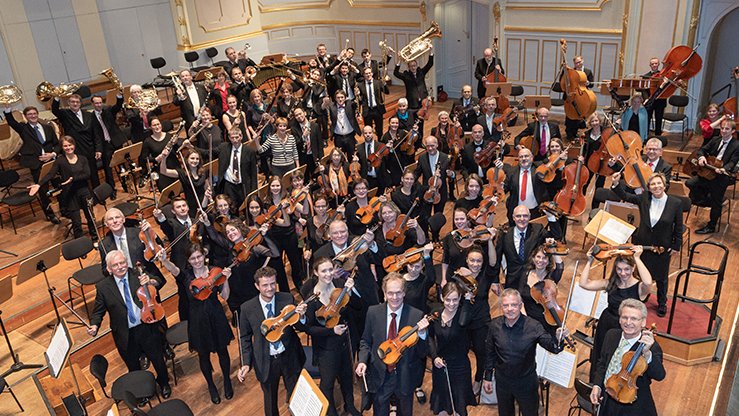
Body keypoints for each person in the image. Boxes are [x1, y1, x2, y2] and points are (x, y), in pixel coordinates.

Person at [87, 250, 172, 399]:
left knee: (157, 358)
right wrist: (94, 325)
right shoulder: (103, 287)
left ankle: (164, 383)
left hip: (146, 326)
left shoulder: (138, 274)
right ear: (109, 269)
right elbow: (98, 311)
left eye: (122, 262)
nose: (120, 267)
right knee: (133, 366)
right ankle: (141, 392)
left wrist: (151, 281)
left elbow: (157, 282)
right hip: (124, 333)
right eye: (116, 265)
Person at [158, 245, 234, 404]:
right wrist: (164, 260)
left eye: (199, 257)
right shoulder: (186, 275)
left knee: (222, 351)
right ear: (188, 260)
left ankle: (227, 380)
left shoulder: (214, 271)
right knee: (203, 355)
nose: (197, 261)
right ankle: (211, 386)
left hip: (216, 315)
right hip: (198, 319)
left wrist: (226, 280)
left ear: (204, 255)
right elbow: (174, 269)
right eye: (193, 258)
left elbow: (225, 296)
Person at [482, 288, 568, 416]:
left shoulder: (533, 326)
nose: (510, 309)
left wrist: (558, 337)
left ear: (520, 306)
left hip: (526, 382)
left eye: (514, 305)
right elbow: (490, 353)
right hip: (503, 381)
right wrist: (488, 377)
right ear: (501, 307)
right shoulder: (494, 325)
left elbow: (553, 347)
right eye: (506, 305)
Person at [355, 273, 430, 416]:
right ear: (384, 293)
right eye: (390, 293)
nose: (394, 297)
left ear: (404, 293)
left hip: (405, 376)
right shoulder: (373, 312)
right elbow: (365, 341)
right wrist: (362, 361)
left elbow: (422, 352)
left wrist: (422, 334)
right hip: (380, 374)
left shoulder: (416, 316)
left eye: (398, 293)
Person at [237, 267, 307, 416]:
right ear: (257, 286)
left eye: (272, 284)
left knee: (296, 396)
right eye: (265, 285)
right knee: (270, 401)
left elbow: (299, 326)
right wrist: (245, 363)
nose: (270, 289)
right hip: (266, 360)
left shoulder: (287, 299)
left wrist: (301, 316)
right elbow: (245, 337)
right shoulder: (247, 308)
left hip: (289, 356)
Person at [611, 171, 682, 317]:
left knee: (661, 276)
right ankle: (642, 296)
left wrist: (676, 245)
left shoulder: (675, 203)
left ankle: (662, 302)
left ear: (664, 185)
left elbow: (678, 226)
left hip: (662, 246)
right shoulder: (644, 198)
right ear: (649, 187)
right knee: (640, 273)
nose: (656, 186)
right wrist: (616, 183)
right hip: (642, 244)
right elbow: (626, 196)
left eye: (659, 183)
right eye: (653, 184)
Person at [579, 245, 653, 382]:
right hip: (606, 324)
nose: (622, 273)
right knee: (601, 356)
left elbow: (648, 282)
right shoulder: (610, 283)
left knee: (619, 359)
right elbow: (584, 284)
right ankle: (596, 385)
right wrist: (589, 261)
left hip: (626, 327)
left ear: (633, 268)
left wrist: (637, 258)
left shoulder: (639, 288)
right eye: (619, 269)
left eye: (627, 269)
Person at [301, 258, 363, 416]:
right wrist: (331, 331)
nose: (328, 274)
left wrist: (350, 292)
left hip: (345, 341)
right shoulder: (312, 298)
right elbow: (308, 328)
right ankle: (331, 412)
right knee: (327, 384)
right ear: (316, 273)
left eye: (330, 270)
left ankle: (349, 406)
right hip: (326, 347)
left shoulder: (340, 286)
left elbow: (357, 306)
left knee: (347, 377)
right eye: (323, 271)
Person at [590, 298, 665, 415]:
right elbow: (602, 364)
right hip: (607, 398)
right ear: (619, 319)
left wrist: (646, 354)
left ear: (643, 322)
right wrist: (597, 386)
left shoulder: (652, 347)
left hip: (632, 406)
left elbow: (660, 375)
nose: (628, 322)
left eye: (634, 318)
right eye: (624, 317)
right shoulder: (611, 335)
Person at [28, 136, 95, 239]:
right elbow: (50, 174)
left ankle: (95, 238)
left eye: (70, 145)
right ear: (62, 147)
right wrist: (39, 184)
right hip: (70, 194)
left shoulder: (82, 158)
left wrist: (73, 179)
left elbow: (87, 174)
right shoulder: (60, 161)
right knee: (76, 222)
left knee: (90, 217)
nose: (68, 148)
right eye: (65, 146)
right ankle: (81, 244)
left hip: (84, 191)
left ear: (74, 145)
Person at [3, 105, 61, 223]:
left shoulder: (47, 128)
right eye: (29, 114)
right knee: (43, 190)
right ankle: (50, 214)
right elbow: (11, 122)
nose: (33, 116)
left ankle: (64, 208)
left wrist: (52, 154)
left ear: (37, 114)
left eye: (34, 113)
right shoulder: (24, 129)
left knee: (58, 186)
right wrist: (7, 109)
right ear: (25, 116)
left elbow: (57, 144)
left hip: (51, 162)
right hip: (37, 165)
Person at [152, 196, 202, 321]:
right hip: (181, 265)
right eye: (178, 207)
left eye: (184, 206)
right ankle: (185, 321)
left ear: (188, 207)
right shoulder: (172, 224)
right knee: (184, 294)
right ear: (173, 211)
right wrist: (159, 217)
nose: (182, 208)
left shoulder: (195, 221)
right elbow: (165, 226)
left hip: (197, 262)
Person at [429, 282, 476, 416]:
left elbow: (462, 323)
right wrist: (434, 357)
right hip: (440, 365)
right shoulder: (435, 313)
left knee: (459, 406)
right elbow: (430, 337)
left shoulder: (464, 314)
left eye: (455, 299)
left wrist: (467, 301)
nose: (451, 304)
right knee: (441, 405)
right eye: (448, 299)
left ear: (460, 298)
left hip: (460, 366)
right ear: (442, 298)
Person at [492, 205, 561, 293]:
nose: (522, 219)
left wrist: (551, 218)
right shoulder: (505, 234)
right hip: (513, 281)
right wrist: (495, 281)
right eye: (518, 216)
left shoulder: (537, 229)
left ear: (529, 217)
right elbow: (497, 258)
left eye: (525, 216)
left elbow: (556, 236)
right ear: (513, 217)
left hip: (532, 281)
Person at [685, 119, 738, 234]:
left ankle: (711, 225)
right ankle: (705, 200)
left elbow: (733, 162)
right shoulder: (715, 139)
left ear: (733, 131)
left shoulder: (736, 145)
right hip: (708, 172)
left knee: (716, 201)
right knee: (690, 183)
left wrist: (724, 169)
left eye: (727, 129)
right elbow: (702, 150)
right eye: (722, 128)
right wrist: (701, 157)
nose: (723, 131)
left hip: (722, 176)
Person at [99, 207, 165, 281]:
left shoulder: (139, 233)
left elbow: (160, 247)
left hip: (147, 275)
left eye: (117, 217)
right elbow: (105, 271)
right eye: (110, 219)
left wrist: (149, 231)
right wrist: (109, 270)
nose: (115, 221)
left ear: (123, 219)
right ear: (106, 224)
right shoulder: (103, 244)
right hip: (124, 280)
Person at [264, 175, 307, 290]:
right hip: (275, 237)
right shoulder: (267, 203)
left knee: (295, 263)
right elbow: (281, 222)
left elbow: (304, 210)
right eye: (273, 185)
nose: (275, 188)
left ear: (281, 186)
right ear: (269, 187)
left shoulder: (288, 198)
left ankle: (299, 287)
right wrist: (282, 210)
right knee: (279, 267)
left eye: (277, 185)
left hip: (290, 235)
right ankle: (285, 291)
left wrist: (305, 196)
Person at [51, 94, 100, 188]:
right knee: (80, 175)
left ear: (81, 103)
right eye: (72, 102)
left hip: (89, 148)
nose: (75, 104)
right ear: (68, 103)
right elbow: (55, 110)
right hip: (75, 150)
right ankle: (86, 196)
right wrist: (57, 97)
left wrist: (98, 149)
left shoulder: (88, 114)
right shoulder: (65, 114)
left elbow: (96, 133)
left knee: (93, 174)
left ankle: (98, 194)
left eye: (77, 102)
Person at [521, 245, 564, 336]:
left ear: (549, 261)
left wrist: (552, 248)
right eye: (538, 257)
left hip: (546, 318)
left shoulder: (551, 277)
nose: (540, 261)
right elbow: (520, 298)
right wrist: (525, 318)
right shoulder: (525, 274)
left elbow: (560, 266)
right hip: (527, 316)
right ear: (533, 258)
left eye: (544, 258)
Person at [500, 148, 549, 223]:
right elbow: (504, 188)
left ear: (532, 158)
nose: (524, 159)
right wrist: (500, 186)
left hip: (536, 211)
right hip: (517, 212)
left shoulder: (539, 170)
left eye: (526, 156)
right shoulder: (512, 172)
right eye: (521, 157)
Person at [90, 94, 125, 198]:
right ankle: (112, 190)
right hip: (105, 146)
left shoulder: (108, 111)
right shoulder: (91, 117)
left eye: (100, 102)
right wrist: (98, 149)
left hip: (116, 142)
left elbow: (118, 106)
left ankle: (125, 184)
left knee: (122, 165)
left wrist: (119, 96)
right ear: (92, 104)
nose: (99, 105)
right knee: (108, 169)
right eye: (96, 103)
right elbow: (95, 135)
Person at [216, 128, 257, 212]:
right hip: (229, 185)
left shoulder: (250, 151)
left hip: (243, 185)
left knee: (244, 208)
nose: (235, 140)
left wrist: (254, 190)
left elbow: (253, 173)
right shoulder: (224, 148)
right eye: (232, 138)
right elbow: (209, 152)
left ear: (241, 137)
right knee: (231, 208)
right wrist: (192, 147)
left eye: (236, 137)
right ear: (229, 138)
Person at [415, 135, 452, 216]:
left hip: (440, 192)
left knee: (437, 217)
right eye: (428, 146)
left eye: (432, 146)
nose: (430, 148)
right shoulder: (422, 158)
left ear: (437, 145)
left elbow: (452, 175)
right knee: (425, 216)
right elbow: (417, 173)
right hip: (426, 192)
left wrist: (451, 174)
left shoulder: (445, 157)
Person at [139, 117, 178, 191]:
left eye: (158, 124)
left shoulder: (169, 136)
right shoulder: (148, 141)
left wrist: (176, 143)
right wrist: (156, 159)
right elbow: (143, 158)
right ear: (150, 127)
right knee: (166, 192)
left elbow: (176, 151)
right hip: (160, 169)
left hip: (174, 166)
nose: (157, 127)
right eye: (154, 125)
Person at [563, 56, 594, 140]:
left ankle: (575, 132)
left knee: (578, 114)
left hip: (582, 96)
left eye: (579, 62)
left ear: (582, 61)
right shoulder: (571, 72)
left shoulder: (588, 71)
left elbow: (592, 84)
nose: (578, 64)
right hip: (571, 96)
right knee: (570, 114)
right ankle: (569, 133)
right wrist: (565, 70)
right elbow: (564, 82)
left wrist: (588, 83)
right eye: (576, 63)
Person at [325, 90, 361, 158]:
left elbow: (358, 103)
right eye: (338, 97)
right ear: (335, 99)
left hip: (350, 136)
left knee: (352, 157)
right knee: (340, 158)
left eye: (342, 97)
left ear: (345, 98)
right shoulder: (331, 107)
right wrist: (324, 103)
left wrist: (358, 95)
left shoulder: (350, 104)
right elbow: (323, 109)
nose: (340, 99)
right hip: (338, 138)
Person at [290, 107, 323, 179]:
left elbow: (320, 143)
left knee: (317, 177)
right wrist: (303, 137)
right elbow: (295, 144)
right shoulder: (294, 129)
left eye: (300, 114)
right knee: (305, 178)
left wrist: (321, 158)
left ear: (304, 113)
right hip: (303, 157)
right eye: (296, 115)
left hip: (314, 155)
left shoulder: (315, 126)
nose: (299, 116)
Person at [356, 126, 389, 193]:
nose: (368, 135)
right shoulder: (359, 148)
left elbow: (387, 161)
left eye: (370, 133)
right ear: (363, 134)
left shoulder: (381, 146)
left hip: (380, 178)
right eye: (365, 133)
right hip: (366, 179)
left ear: (373, 133)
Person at [357, 66, 388, 135]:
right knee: (368, 131)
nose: (368, 75)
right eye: (366, 73)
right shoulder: (360, 85)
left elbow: (387, 92)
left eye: (369, 73)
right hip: (367, 111)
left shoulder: (378, 83)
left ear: (372, 73)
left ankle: (380, 144)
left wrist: (385, 83)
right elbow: (359, 100)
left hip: (377, 109)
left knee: (379, 130)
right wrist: (358, 95)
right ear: (363, 75)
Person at [642, 57, 667, 136]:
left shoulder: (663, 75)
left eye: (656, 63)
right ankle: (645, 136)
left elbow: (666, 88)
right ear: (650, 65)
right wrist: (646, 99)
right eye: (652, 64)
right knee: (647, 119)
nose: (654, 65)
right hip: (650, 100)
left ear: (658, 64)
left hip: (660, 100)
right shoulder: (645, 76)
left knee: (659, 119)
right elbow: (644, 90)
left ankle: (658, 136)